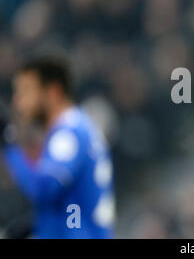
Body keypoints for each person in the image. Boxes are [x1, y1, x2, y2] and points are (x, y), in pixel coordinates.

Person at [0, 57, 115, 238]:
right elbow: (68, 201)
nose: (17, 102)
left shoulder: (69, 134)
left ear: (53, 92)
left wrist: (8, 140)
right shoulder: (76, 129)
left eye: (26, 92)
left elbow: (43, 189)